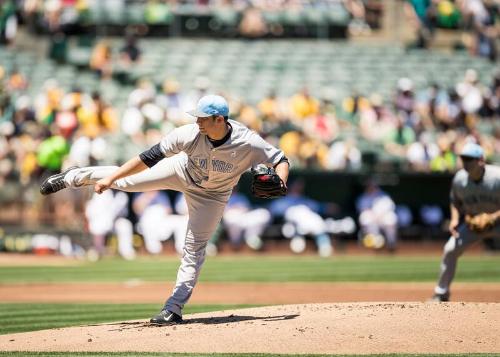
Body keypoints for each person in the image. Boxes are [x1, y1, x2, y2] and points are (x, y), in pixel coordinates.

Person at [40, 94, 289, 324]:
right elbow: (146, 159)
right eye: (197, 117)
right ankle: (73, 177)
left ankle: (173, 308)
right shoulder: (188, 133)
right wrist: (111, 178)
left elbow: (280, 159)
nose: (198, 121)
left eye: (203, 117)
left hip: (213, 196)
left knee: (194, 248)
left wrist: (282, 180)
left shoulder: (247, 142)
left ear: (219, 119)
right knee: (126, 181)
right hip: (180, 171)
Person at [430, 142, 500, 302]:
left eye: (470, 159)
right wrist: (455, 220)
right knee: (450, 249)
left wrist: (493, 217)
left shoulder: (497, 176)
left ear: (481, 160)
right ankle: (441, 294)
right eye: (463, 159)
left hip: (498, 221)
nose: (465, 162)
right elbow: (454, 201)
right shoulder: (460, 179)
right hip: (473, 223)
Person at [356, 180, 398, 252]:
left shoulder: (384, 196)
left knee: (391, 218)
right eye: (370, 186)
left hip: (383, 217)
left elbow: (390, 208)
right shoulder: (363, 197)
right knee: (365, 218)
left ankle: (391, 243)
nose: (371, 188)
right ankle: (375, 243)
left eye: (373, 186)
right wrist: (374, 216)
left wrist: (380, 216)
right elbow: (363, 210)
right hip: (372, 218)